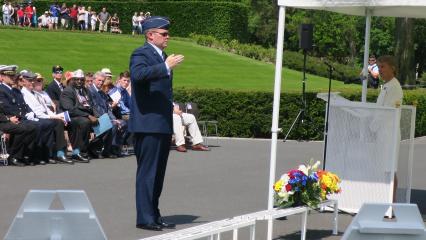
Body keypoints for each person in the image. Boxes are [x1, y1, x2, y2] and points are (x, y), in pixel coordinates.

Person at [129, 16, 184, 231]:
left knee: (158, 174)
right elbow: (138, 74)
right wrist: (165, 66)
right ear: (150, 35)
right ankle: (144, 217)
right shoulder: (142, 53)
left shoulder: (161, 56)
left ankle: (154, 214)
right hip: (147, 123)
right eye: (163, 33)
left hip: (160, 123)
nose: (167, 36)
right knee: (148, 173)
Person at [0, 65, 37, 167]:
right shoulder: (1, 89)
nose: (13, 78)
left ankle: (24, 154)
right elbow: (6, 108)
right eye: (10, 76)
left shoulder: (13, 90)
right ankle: (14, 156)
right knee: (23, 128)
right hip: (4, 121)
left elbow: (19, 106)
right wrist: (9, 118)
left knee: (33, 127)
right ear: (2, 77)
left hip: (14, 118)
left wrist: (20, 116)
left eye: (13, 76)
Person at [59, 69, 95, 163]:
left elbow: (91, 105)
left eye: (81, 80)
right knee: (84, 122)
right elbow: (70, 109)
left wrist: (97, 115)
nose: (79, 81)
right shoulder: (68, 91)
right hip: (69, 116)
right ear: (73, 80)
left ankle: (92, 149)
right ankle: (77, 151)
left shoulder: (85, 91)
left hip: (82, 115)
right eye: (77, 79)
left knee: (105, 122)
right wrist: (88, 115)